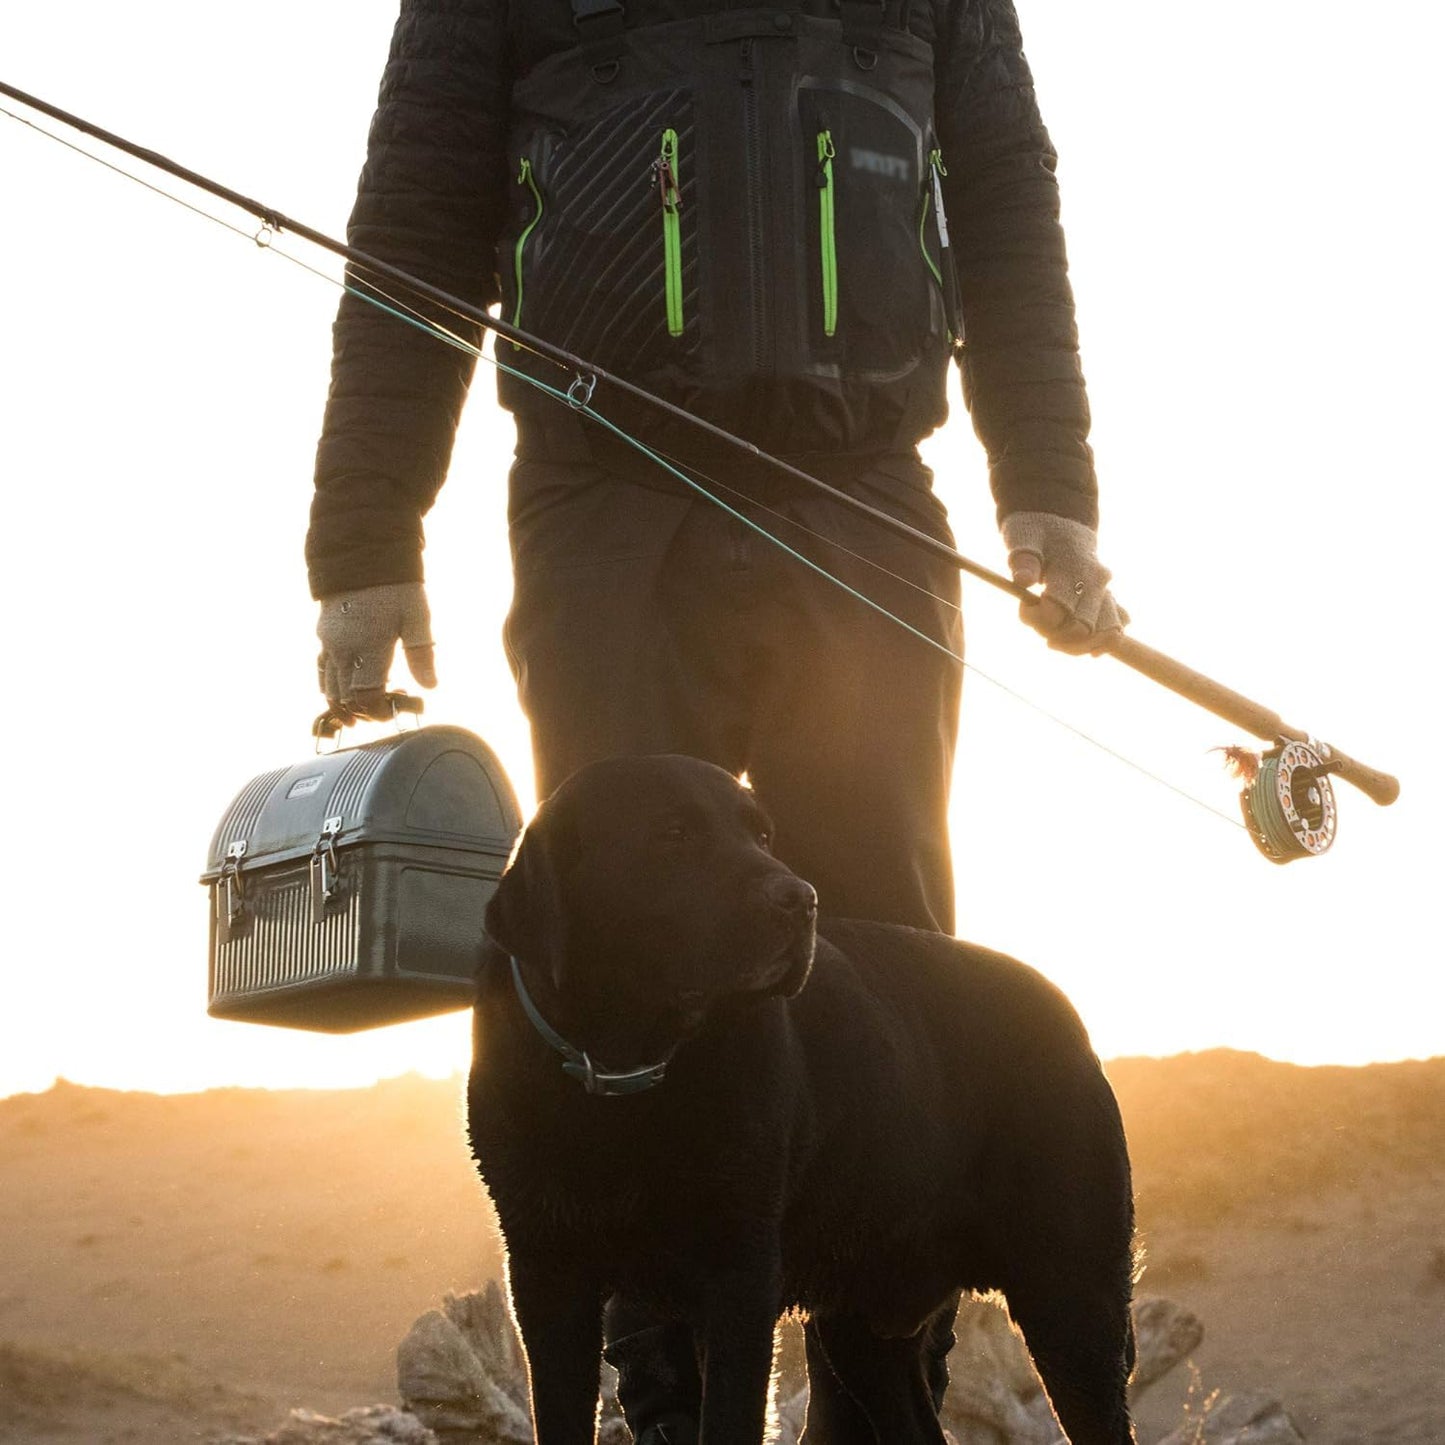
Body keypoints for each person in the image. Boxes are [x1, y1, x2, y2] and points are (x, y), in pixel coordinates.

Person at [308, 2, 1122, 1439]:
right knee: (613, 965)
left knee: (880, 964)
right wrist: (367, 535)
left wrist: (1047, 477)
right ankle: (669, 1409)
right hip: (602, 500)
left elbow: (1002, 182)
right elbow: (420, 204)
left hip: (863, 493)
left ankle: (878, 1406)